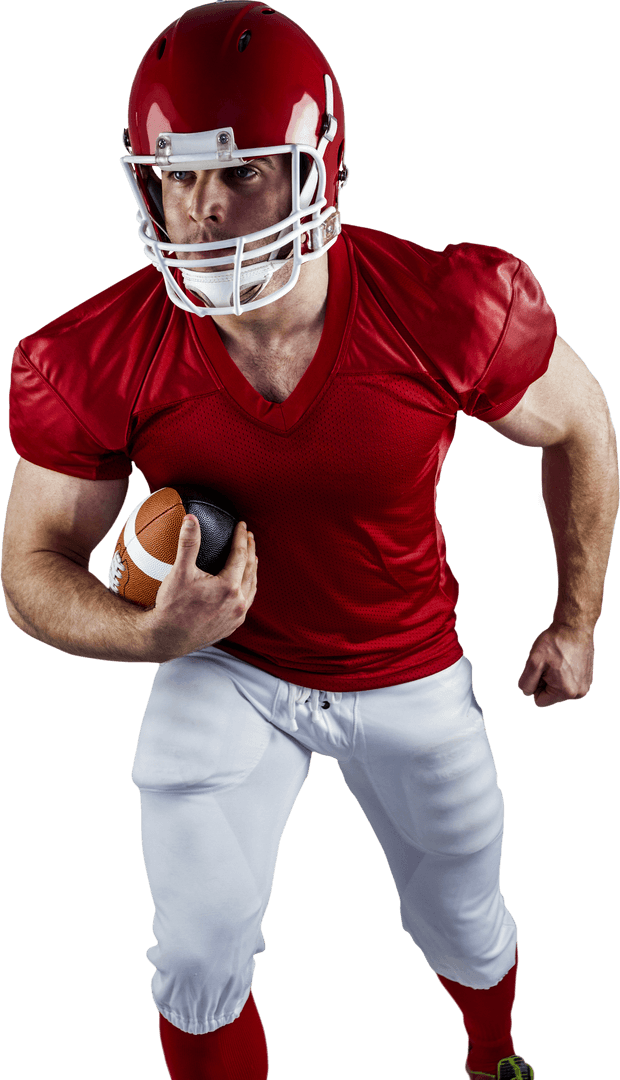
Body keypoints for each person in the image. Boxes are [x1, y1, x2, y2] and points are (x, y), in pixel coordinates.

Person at [2, 3, 617, 1079]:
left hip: (405, 663)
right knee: (193, 952)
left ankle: (494, 1056)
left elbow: (580, 424)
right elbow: (30, 562)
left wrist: (573, 621)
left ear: (317, 165)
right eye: (176, 176)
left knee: (463, 922)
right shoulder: (96, 353)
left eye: (241, 171)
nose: (201, 210)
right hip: (224, 663)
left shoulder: (441, 307)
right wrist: (148, 638)